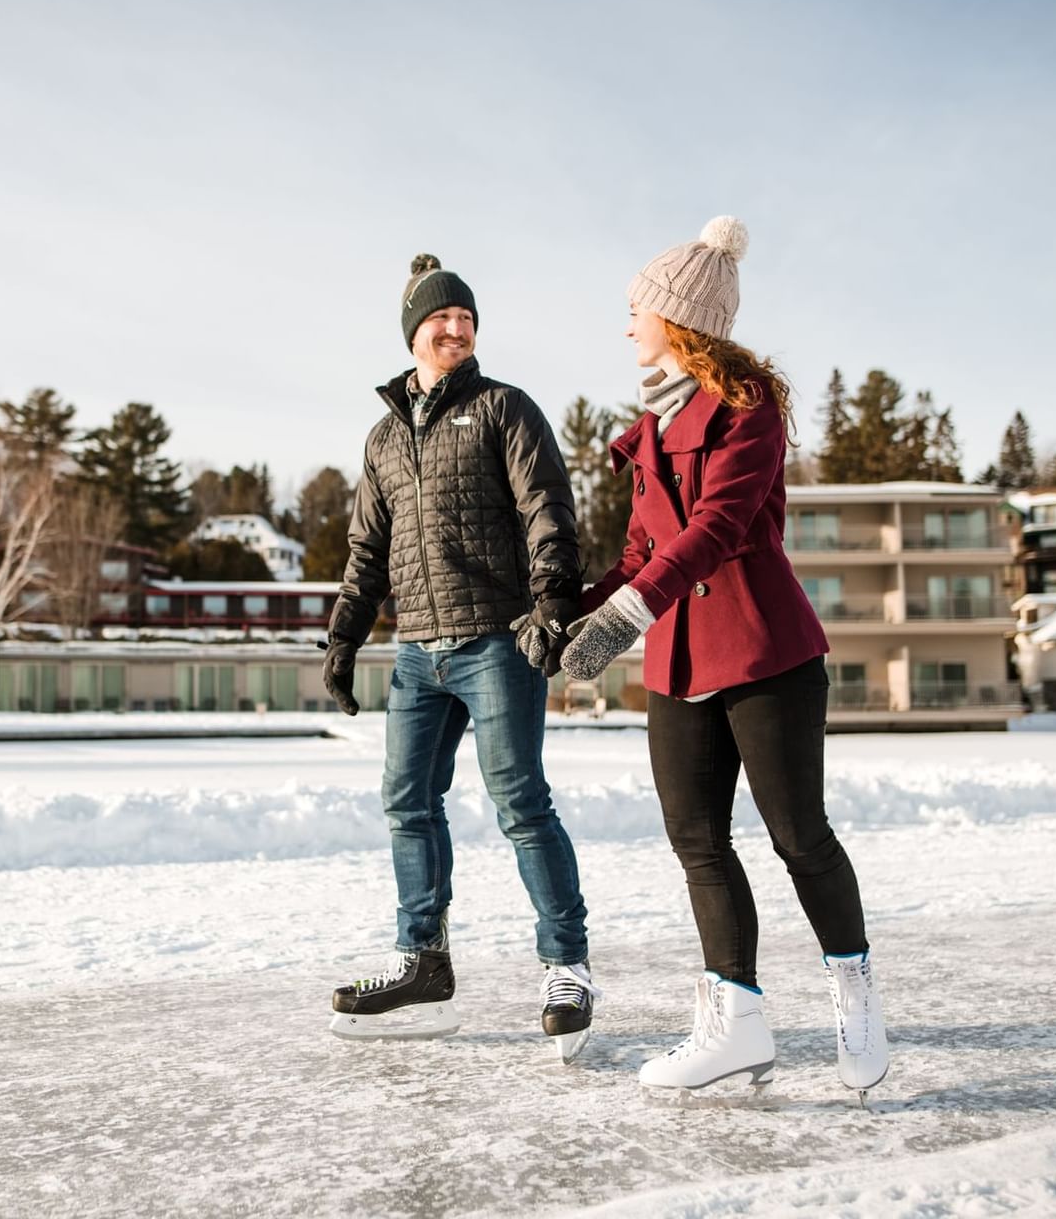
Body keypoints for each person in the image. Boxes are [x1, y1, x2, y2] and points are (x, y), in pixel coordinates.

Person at [561, 217, 890, 1100]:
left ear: (679, 318)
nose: (627, 324)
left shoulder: (749, 411)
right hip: (678, 664)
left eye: (637, 309)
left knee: (798, 838)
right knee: (698, 843)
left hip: (764, 653)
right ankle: (736, 1022)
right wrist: (570, 616)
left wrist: (627, 614)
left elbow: (718, 528)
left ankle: (855, 996)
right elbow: (640, 551)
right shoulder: (648, 428)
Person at [324, 253, 600, 1061]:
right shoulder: (381, 438)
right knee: (406, 802)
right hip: (416, 651)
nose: (455, 328)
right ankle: (423, 964)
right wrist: (344, 634)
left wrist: (553, 599)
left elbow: (546, 504)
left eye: (466, 319)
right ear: (414, 330)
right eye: (440, 318)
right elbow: (366, 548)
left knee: (520, 803)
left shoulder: (504, 409)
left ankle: (567, 966)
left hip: (496, 641)